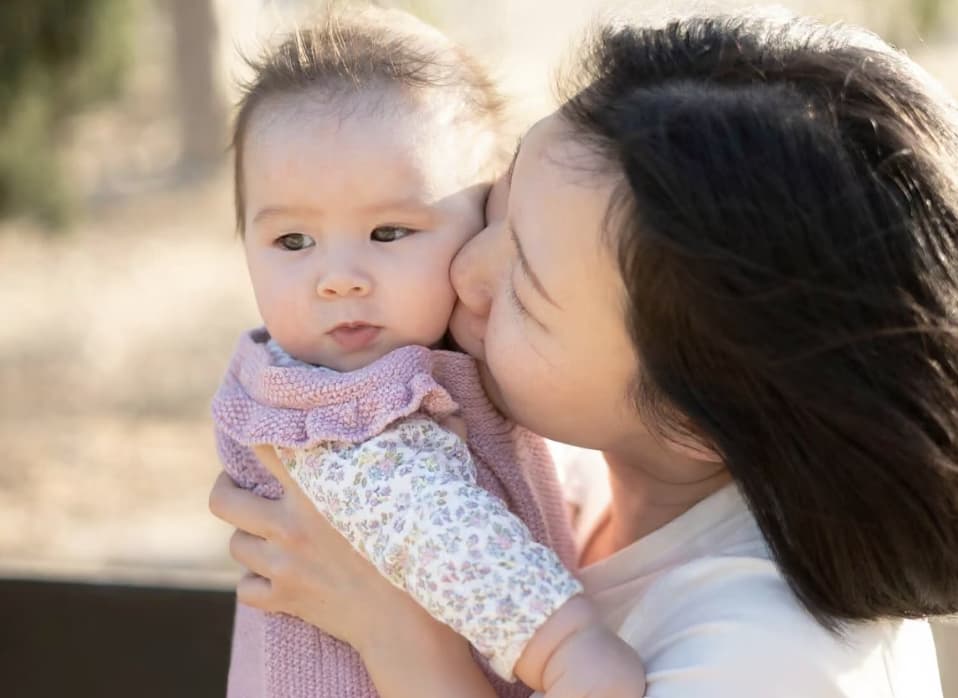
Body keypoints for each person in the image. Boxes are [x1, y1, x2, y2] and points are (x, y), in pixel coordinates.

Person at [210, 11, 958, 698]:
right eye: (498, 205)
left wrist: (397, 635)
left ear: (693, 413)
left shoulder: (765, 663)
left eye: (525, 288)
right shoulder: (544, 471)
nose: (465, 270)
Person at [211, 6, 646, 698]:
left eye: (389, 232)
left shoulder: (452, 369)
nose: (338, 278)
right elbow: (441, 533)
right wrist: (567, 648)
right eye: (293, 241)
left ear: (485, 226)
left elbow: (544, 479)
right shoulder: (330, 408)